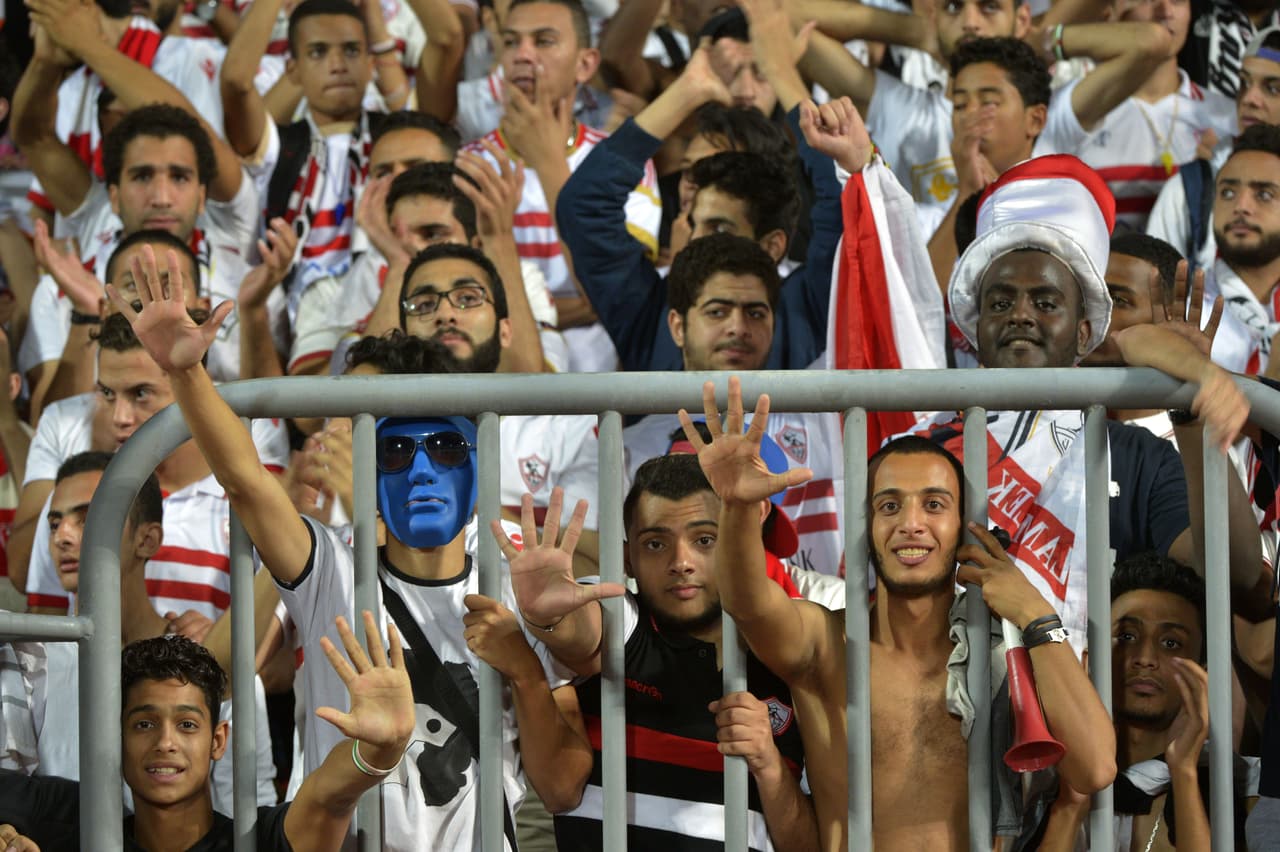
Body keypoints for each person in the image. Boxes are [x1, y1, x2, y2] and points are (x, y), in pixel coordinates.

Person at [109, 243, 605, 848]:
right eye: (396, 450)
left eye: (444, 447)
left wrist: (525, 668)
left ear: (477, 459)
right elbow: (244, 480)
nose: (422, 470)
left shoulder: (518, 575)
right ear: (366, 462)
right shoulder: (331, 565)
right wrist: (184, 371)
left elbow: (563, 790)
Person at [641, 377, 1114, 851]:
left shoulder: (1008, 650)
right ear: (867, 527)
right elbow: (746, 602)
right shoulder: (825, 643)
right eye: (890, 505)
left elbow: (1094, 769)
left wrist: (1033, 610)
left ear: (963, 528)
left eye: (933, 505)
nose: (911, 524)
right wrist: (739, 508)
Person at [926, 154, 1270, 643]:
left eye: (1045, 303)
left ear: (1084, 332)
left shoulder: (1138, 456)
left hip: (1082, 710)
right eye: (1000, 303)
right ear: (974, 327)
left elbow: (1233, 575)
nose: (1021, 315)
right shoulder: (924, 441)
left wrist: (1192, 408)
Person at [492, 466, 817, 851]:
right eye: (656, 544)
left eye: (704, 539)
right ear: (627, 559)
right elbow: (582, 632)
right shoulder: (622, 619)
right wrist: (548, 616)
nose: (681, 562)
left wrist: (768, 764)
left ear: (737, 543)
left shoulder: (791, 651)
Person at [556, 18, 849, 373]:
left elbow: (850, 206)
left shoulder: (807, 304)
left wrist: (781, 73)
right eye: (690, 172)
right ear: (677, 327)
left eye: (720, 227)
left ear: (773, 244)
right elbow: (584, 205)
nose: (695, 189)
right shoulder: (653, 310)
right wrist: (688, 90)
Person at [0, 616, 415, 852]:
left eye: (186, 725)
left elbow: (330, 795)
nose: (166, 742)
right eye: (144, 723)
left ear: (218, 740)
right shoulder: (71, 827)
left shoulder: (261, 843)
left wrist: (383, 748)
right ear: (116, 737)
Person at [14, 450, 278, 815]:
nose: (63, 536)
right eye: (54, 523)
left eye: (87, 517)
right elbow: (12, 802)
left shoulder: (211, 657)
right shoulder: (26, 658)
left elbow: (248, 804)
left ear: (148, 539)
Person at [463, 0, 662, 373]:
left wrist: (548, 162)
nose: (523, 55)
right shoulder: (469, 165)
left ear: (585, 64)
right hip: (502, 383)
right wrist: (572, 309)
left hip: (603, 398)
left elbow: (616, 298)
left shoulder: (627, 164)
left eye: (543, 41)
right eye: (510, 42)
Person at [1034, 0, 1237, 232]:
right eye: (1147, 0)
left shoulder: (1227, 117)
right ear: (1109, 13)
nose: (1165, 11)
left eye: (1178, 0)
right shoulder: (1072, 108)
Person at [1146, 28, 1280, 274]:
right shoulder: (1193, 188)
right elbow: (1153, 293)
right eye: (1244, 83)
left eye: (1273, 88)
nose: (1249, 98)